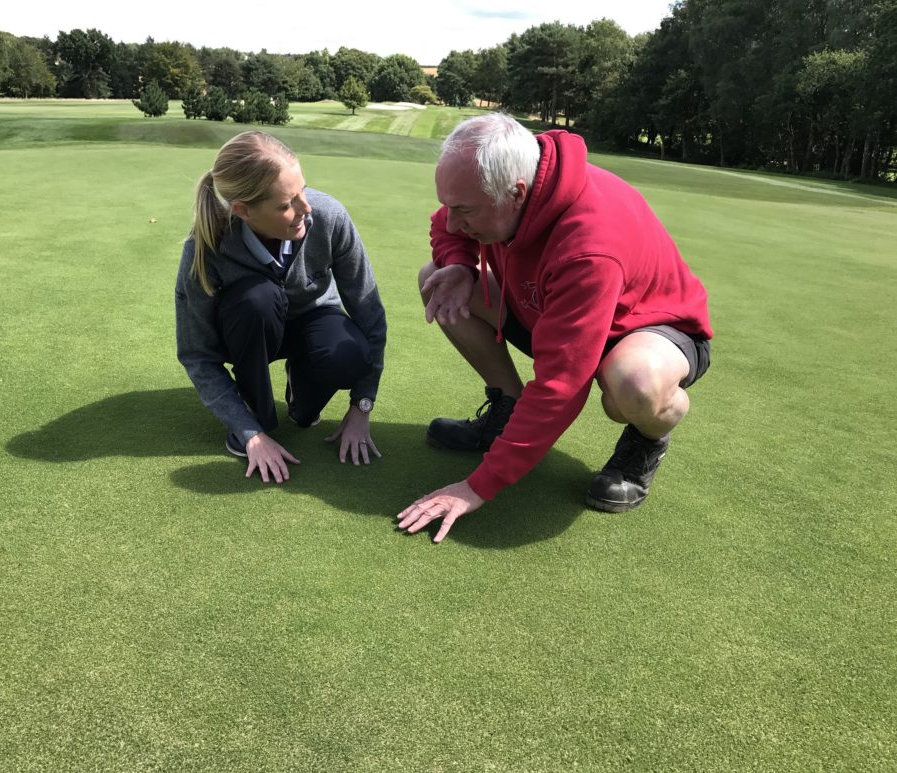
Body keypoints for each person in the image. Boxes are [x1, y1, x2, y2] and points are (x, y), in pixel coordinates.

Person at [397, 113, 712, 543]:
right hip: (545, 308)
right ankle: (505, 407)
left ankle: (647, 437)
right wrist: (459, 264)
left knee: (634, 387)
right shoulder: (500, 181)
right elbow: (445, 227)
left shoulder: (589, 247)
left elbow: (562, 384)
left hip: (647, 330)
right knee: (435, 276)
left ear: (517, 194)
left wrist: (477, 487)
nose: (453, 221)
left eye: (464, 210)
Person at [175, 131, 387, 484]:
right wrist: (249, 432)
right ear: (243, 210)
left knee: (348, 355)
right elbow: (197, 354)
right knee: (257, 300)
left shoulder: (329, 216)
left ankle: (299, 395)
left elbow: (370, 316)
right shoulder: (206, 245)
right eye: (287, 203)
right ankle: (257, 413)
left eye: (302, 191)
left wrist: (362, 404)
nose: (306, 208)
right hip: (248, 327)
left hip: (315, 321)